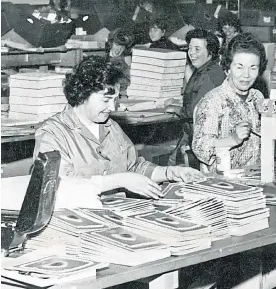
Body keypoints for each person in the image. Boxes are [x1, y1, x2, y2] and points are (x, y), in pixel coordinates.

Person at [34, 56, 203, 198]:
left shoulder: (111, 127)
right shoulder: (52, 134)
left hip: (112, 213)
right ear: (82, 93)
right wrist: (120, 180)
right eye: (106, 100)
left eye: (116, 99)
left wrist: (169, 172)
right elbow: (58, 186)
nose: (113, 108)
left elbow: (134, 167)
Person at [193, 33, 276, 172]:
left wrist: (275, 150)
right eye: (239, 67)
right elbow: (200, 148)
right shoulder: (213, 101)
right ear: (227, 68)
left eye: (253, 67)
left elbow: (263, 135)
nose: (246, 74)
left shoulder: (258, 97)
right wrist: (231, 139)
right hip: (222, 181)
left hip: (256, 174)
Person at [181, 29, 225, 149]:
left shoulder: (210, 75)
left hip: (206, 139)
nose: (191, 53)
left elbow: (197, 110)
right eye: (189, 48)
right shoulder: (202, 69)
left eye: (197, 49)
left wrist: (175, 109)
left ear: (210, 52)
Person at [106, 28, 134, 97]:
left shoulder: (126, 61)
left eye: (122, 46)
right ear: (111, 43)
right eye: (117, 44)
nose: (119, 49)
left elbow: (127, 83)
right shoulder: (103, 58)